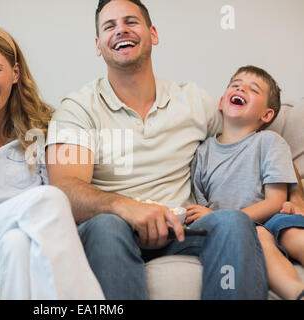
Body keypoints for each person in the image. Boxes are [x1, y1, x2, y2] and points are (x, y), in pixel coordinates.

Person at [46, 0, 268, 299]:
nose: (120, 30)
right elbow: (65, 189)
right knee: (107, 227)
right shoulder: (77, 108)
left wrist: (294, 196)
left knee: (232, 221)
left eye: (131, 22)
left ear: (153, 34)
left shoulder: (194, 100)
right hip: (111, 231)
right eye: (109, 26)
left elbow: (251, 141)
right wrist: (127, 207)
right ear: (98, 45)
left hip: (181, 229)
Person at [0, 25, 104, 299]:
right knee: (47, 198)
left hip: (19, 241)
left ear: (15, 73)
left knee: (16, 242)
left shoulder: (45, 131)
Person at [188, 65, 304, 300]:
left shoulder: (269, 142)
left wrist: (226, 217)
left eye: (253, 89)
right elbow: (204, 206)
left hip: (274, 217)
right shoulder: (202, 153)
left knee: (292, 233)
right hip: (239, 231)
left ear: (266, 115)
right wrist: (210, 217)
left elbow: (275, 201)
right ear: (221, 102)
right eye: (236, 84)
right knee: (261, 238)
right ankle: (297, 294)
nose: (241, 88)